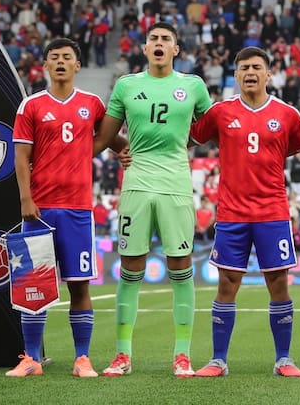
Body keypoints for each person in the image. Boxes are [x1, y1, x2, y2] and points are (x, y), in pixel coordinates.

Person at [190, 47, 300, 378]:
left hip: (272, 212)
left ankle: (284, 360)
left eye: (256, 67)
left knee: (278, 283)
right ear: (236, 74)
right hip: (232, 213)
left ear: (268, 74)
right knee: (227, 283)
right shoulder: (220, 112)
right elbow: (186, 137)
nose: (250, 72)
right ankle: (218, 360)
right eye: (244, 67)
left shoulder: (286, 114)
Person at [95, 22, 212, 377]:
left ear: (176, 49)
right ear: (145, 48)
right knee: (130, 266)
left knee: (180, 265)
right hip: (137, 183)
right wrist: (108, 152)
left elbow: (207, 130)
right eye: (154, 39)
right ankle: (122, 355)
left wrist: (180, 145)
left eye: (166, 40)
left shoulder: (193, 85)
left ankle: (182, 355)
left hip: (176, 182)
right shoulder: (127, 85)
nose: (159, 44)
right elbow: (105, 137)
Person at [6, 39, 107, 378]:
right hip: (40, 209)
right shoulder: (31, 105)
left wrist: (121, 148)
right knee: (33, 284)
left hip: (78, 210)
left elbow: (107, 134)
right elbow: (20, 156)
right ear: (45, 66)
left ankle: (82, 359)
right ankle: (31, 358)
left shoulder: (92, 104)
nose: (61, 62)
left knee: (80, 285)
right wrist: (25, 198)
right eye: (54, 58)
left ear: (78, 65)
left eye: (67, 58)